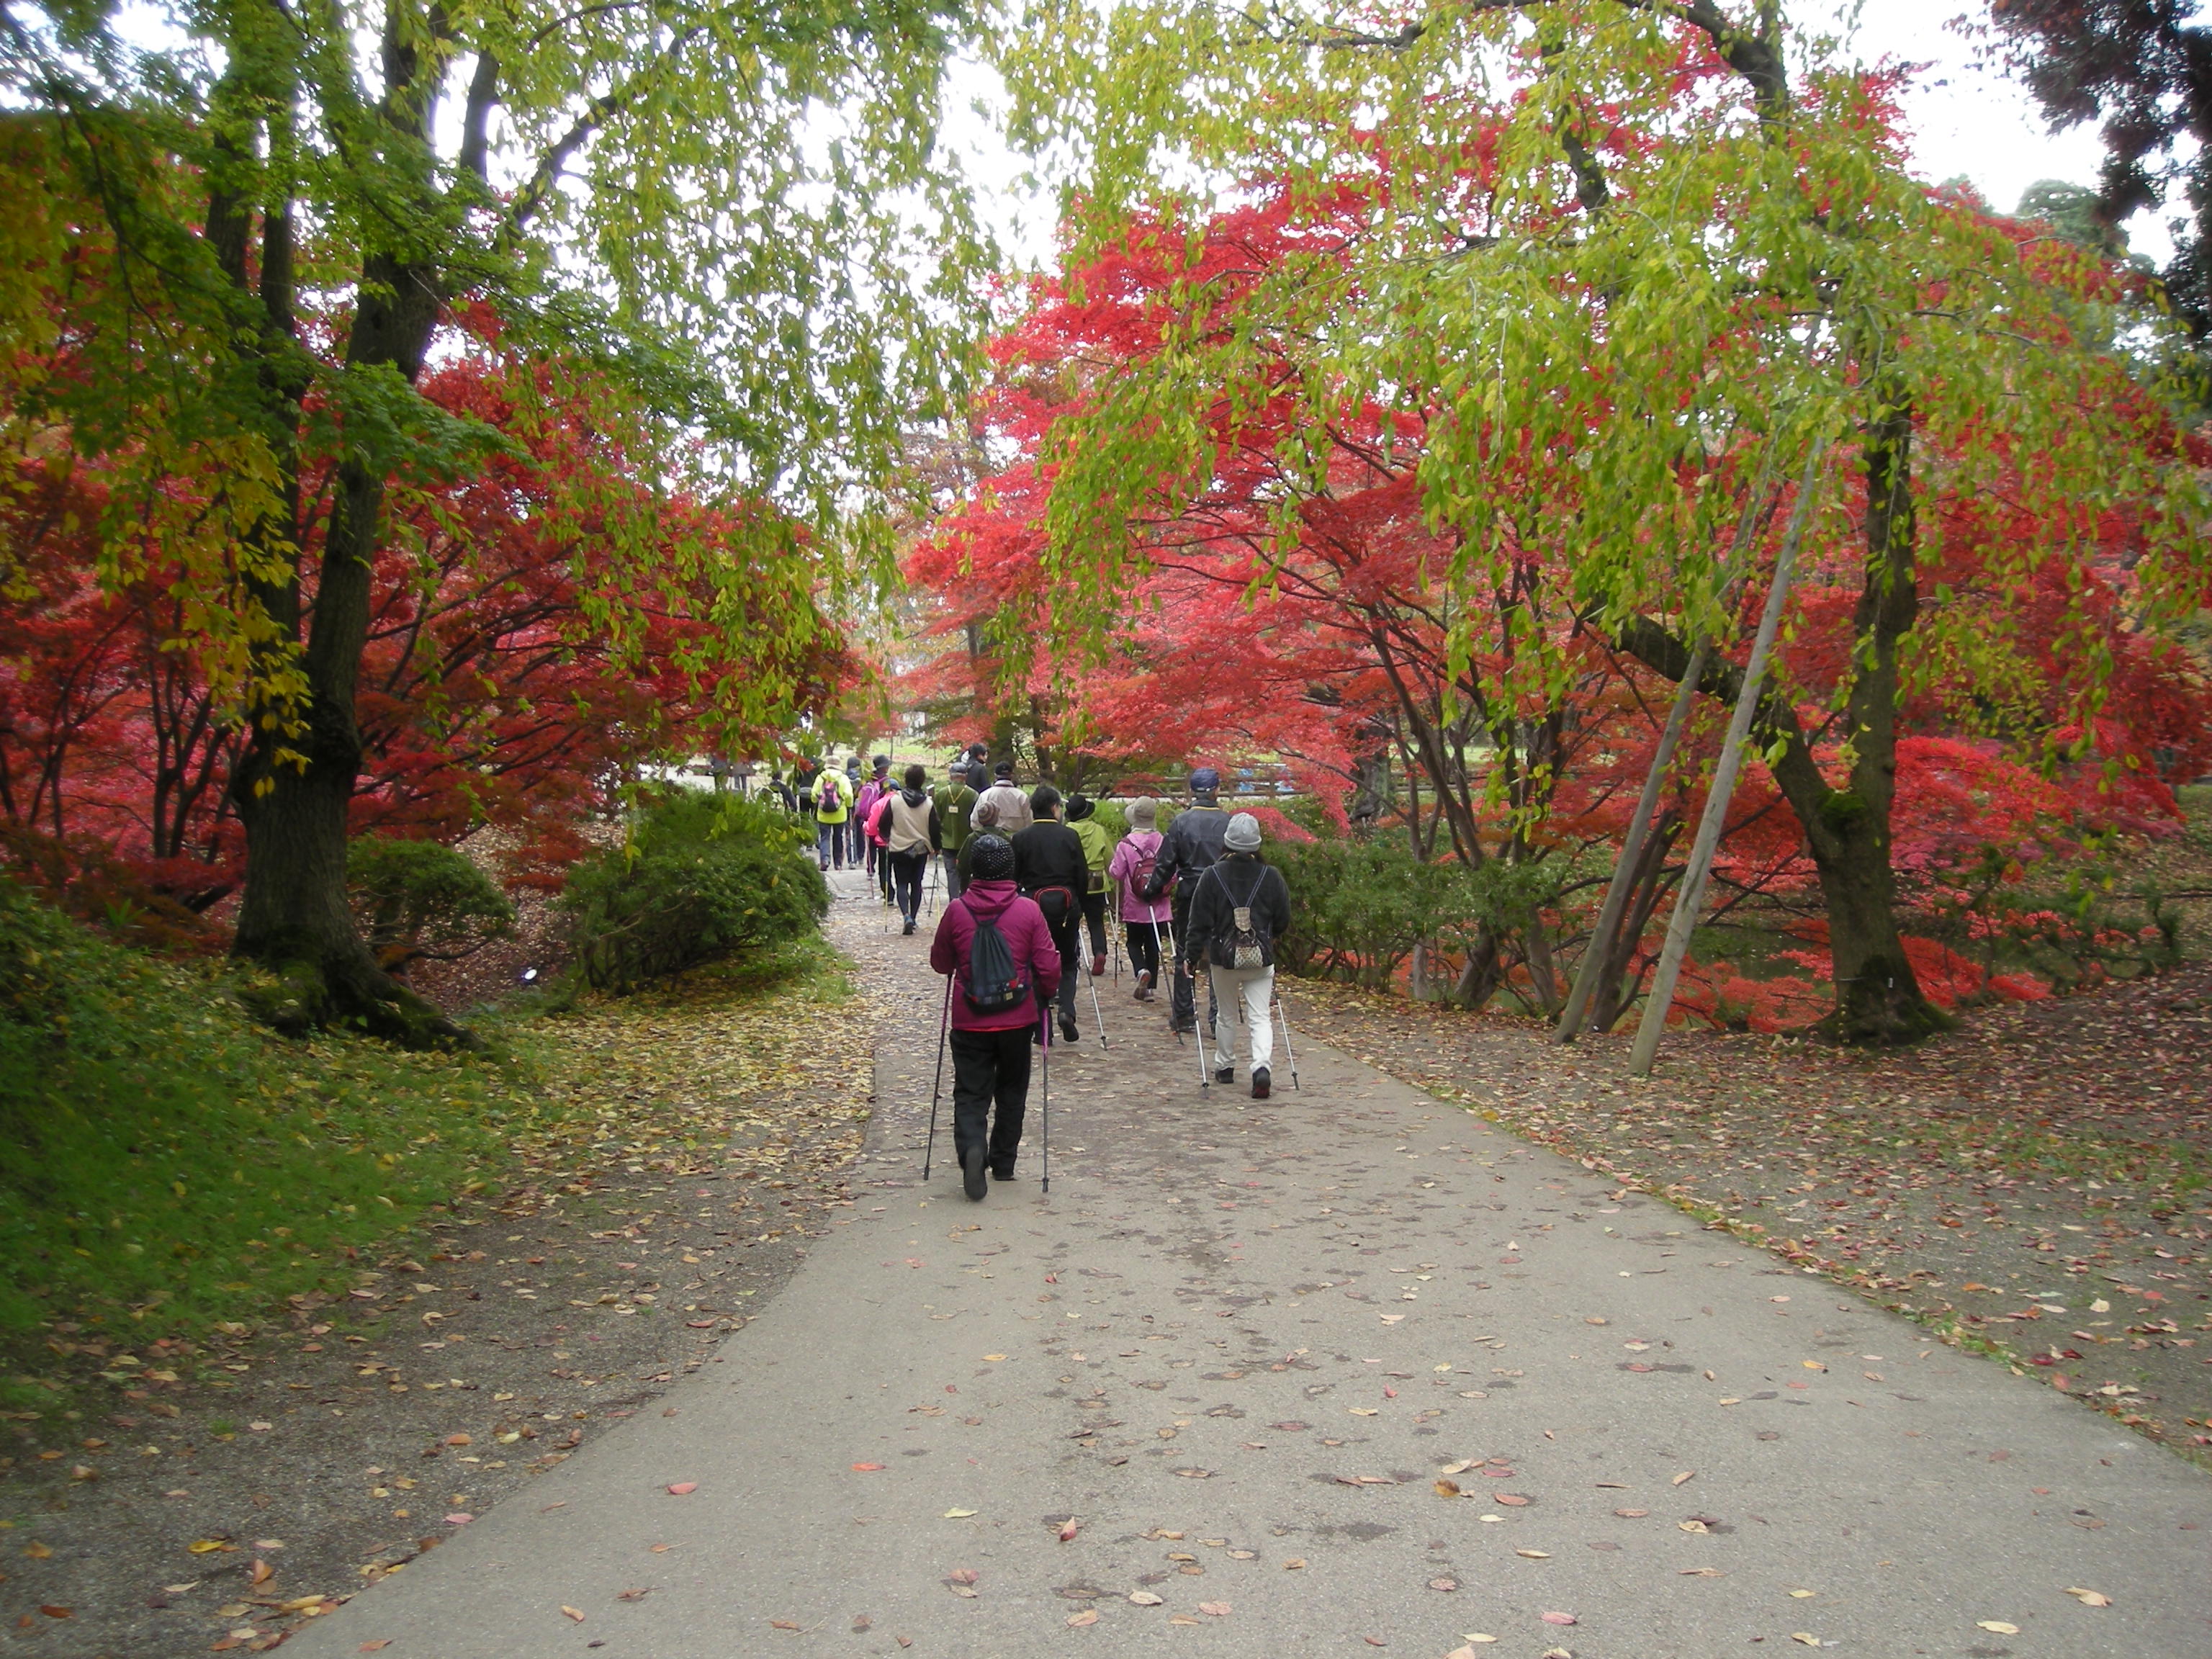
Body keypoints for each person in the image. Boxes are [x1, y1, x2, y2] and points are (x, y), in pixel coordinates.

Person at [930, 833, 1062, 1199]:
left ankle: (973, 1146)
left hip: (969, 1018)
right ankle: (1003, 1163)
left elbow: (941, 963)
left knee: (971, 1092)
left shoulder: (957, 910)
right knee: (1012, 1089)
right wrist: (1047, 994)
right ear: (1010, 868)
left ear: (971, 867)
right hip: (1018, 1016)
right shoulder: (1028, 910)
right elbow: (1048, 964)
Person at [1184, 811, 1292, 1098]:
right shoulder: (1271, 876)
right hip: (1260, 958)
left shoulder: (1212, 875)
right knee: (1260, 1017)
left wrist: (1191, 956)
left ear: (1227, 843)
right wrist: (1270, 938)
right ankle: (1261, 1067)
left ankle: (1225, 1066)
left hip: (1224, 957)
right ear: (1257, 843)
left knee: (1226, 1015)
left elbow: (1198, 922)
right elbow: (1283, 918)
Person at [1145, 766, 1231, 1033]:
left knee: (1186, 951)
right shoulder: (1228, 822)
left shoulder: (1181, 822)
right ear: (1217, 790)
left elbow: (1165, 863)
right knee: (1221, 952)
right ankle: (1219, 1018)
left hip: (1190, 891)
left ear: (1192, 791)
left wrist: (1152, 889)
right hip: (1222, 892)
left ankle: (1183, 1014)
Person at [1012, 783, 1090, 1043]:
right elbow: (1081, 875)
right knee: (1068, 961)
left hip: (1034, 910)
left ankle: (1041, 1025)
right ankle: (1066, 1010)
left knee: (1035, 965)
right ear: (1056, 808)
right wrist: (1078, 902)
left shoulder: (1021, 838)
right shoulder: (1069, 836)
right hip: (1067, 907)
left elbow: (1014, 878)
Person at [1107, 796, 1173, 1000]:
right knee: (1154, 943)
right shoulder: (1164, 841)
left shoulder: (1126, 844)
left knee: (1133, 943)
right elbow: (1174, 872)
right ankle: (1151, 988)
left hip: (1134, 904)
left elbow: (1116, 873)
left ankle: (1140, 970)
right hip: (1159, 904)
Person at [883, 763, 941, 934]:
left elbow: (883, 824)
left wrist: (888, 836)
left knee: (901, 883)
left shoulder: (894, 801)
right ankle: (913, 919)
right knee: (917, 884)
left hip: (899, 848)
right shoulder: (928, 804)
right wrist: (937, 847)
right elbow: (934, 828)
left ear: (906, 780)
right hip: (920, 848)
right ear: (922, 781)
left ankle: (906, 915)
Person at [1066, 794, 1113, 976]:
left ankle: (1073, 956)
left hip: (1073, 882)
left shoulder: (1067, 830)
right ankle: (1099, 952)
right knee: (1096, 922)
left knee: (1071, 922)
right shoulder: (1098, 830)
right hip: (1097, 882)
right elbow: (1110, 857)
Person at [934, 756, 980, 902]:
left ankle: (953, 899)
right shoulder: (973, 794)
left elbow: (936, 818)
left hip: (946, 841)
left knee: (951, 872)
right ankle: (965, 897)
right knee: (966, 871)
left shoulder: (941, 794)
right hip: (967, 840)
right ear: (965, 776)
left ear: (950, 775)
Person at [854, 756, 892, 896]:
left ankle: (870, 868)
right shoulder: (886, 781)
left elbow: (857, 794)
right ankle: (883, 872)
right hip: (882, 814)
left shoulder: (868, 779)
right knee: (881, 842)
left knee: (871, 843)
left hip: (868, 815)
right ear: (884, 767)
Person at [976, 760, 1033, 836]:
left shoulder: (985, 795)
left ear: (995, 776)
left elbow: (975, 821)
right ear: (1011, 776)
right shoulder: (1022, 796)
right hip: (1016, 840)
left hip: (991, 840)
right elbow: (1029, 822)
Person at [811, 762, 851, 871]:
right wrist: (849, 805)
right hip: (840, 814)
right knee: (838, 837)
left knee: (824, 837)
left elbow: (814, 794)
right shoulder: (843, 778)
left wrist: (816, 801)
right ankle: (838, 863)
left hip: (823, 814)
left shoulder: (821, 778)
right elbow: (849, 795)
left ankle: (825, 860)